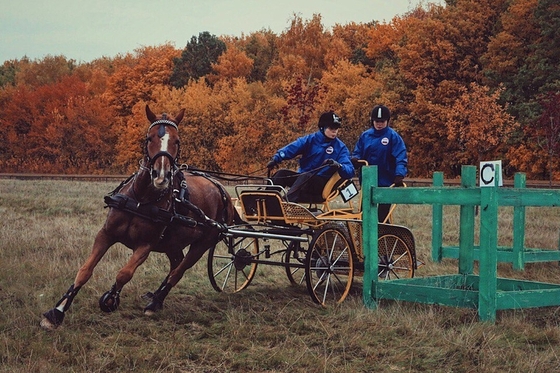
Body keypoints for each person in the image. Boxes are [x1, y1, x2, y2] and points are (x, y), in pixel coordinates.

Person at [266, 111, 355, 203]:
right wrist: (277, 158)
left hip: (321, 184)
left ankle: (287, 203)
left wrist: (339, 166)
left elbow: (350, 171)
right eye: (331, 128)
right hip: (303, 180)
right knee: (281, 174)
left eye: (336, 128)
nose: (334, 131)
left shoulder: (340, 148)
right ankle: (264, 202)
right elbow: (293, 148)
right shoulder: (310, 140)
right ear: (322, 128)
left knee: (306, 176)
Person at [352, 104, 408, 222]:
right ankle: (363, 239)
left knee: (382, 216)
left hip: (386, 182)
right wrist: (356, 160)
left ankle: (384, 238)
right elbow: (358, 152)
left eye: (382, 121)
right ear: (372, 121)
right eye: (376, 121)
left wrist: (399, 174)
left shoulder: (393, 137)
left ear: (387, 121)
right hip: (368, 183)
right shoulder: (365, 136)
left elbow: (400, 157)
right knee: (364, 214)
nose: (379, 124)